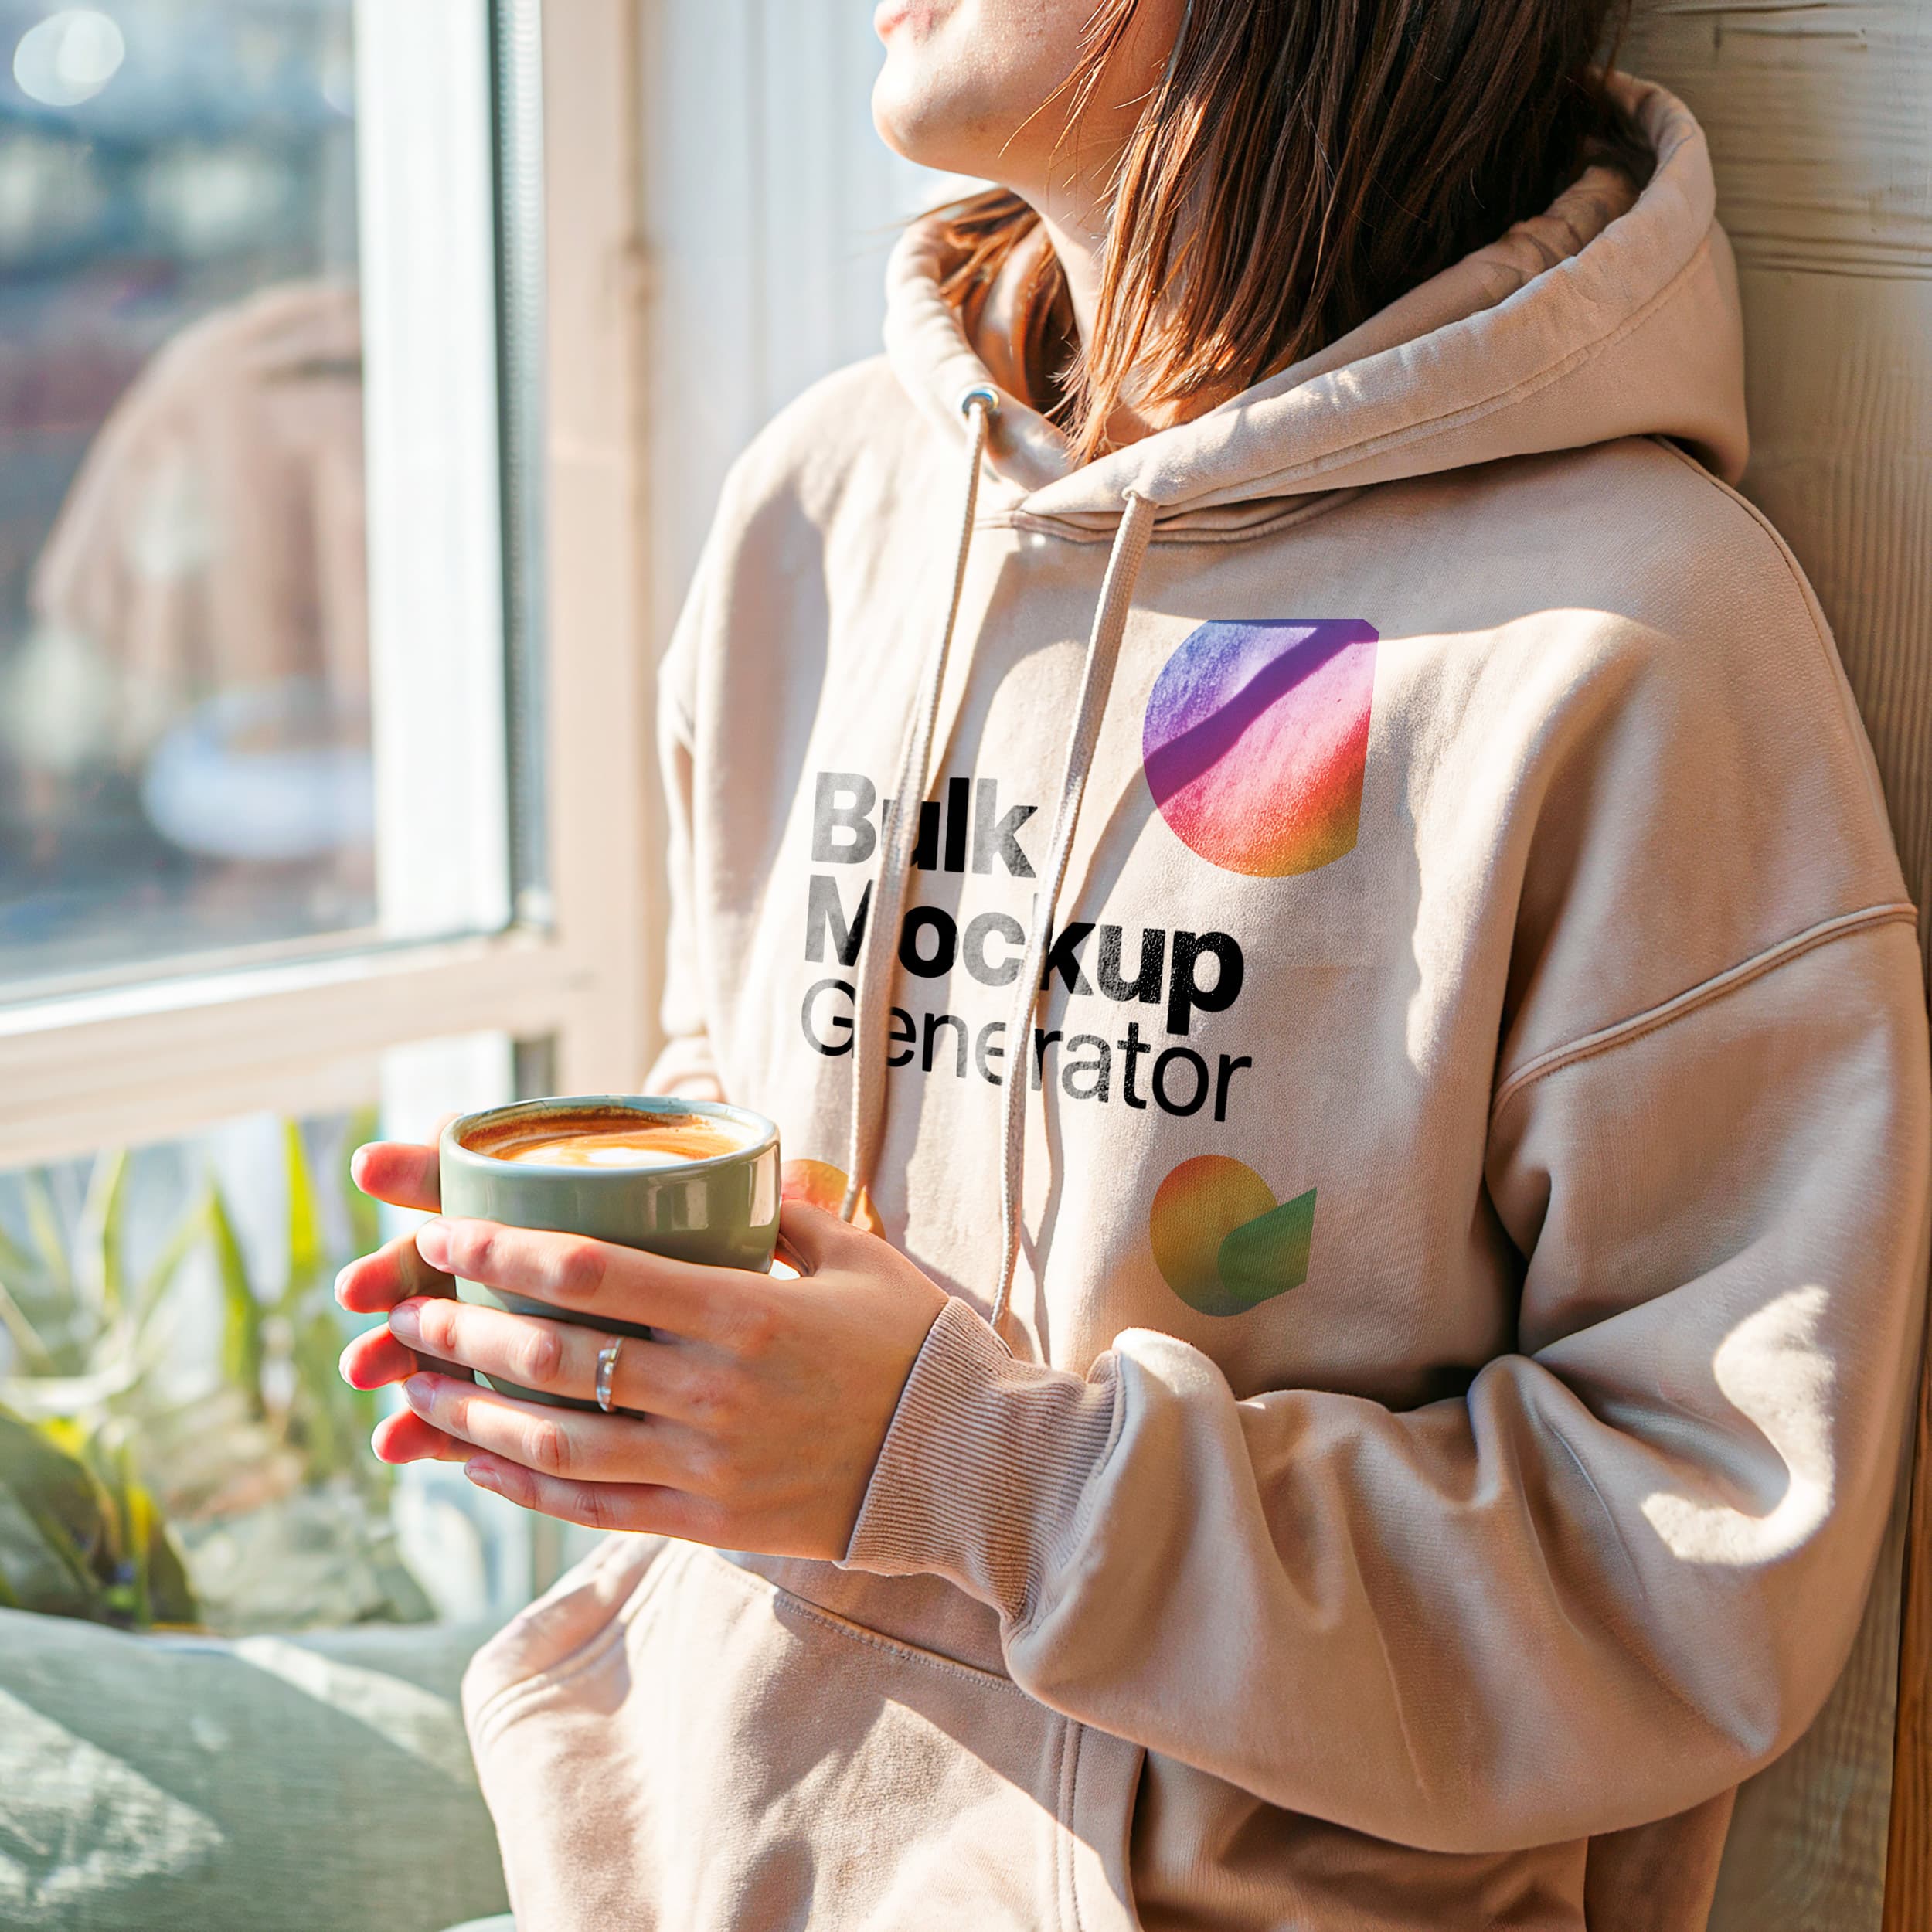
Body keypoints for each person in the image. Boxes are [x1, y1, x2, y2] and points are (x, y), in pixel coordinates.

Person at [337, 2, 1932, 1927]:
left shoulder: (1631, 637)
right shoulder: (821, 511)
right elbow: (755, 1103)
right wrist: (621, 1339)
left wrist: (964, 1464)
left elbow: (1690, 1569)